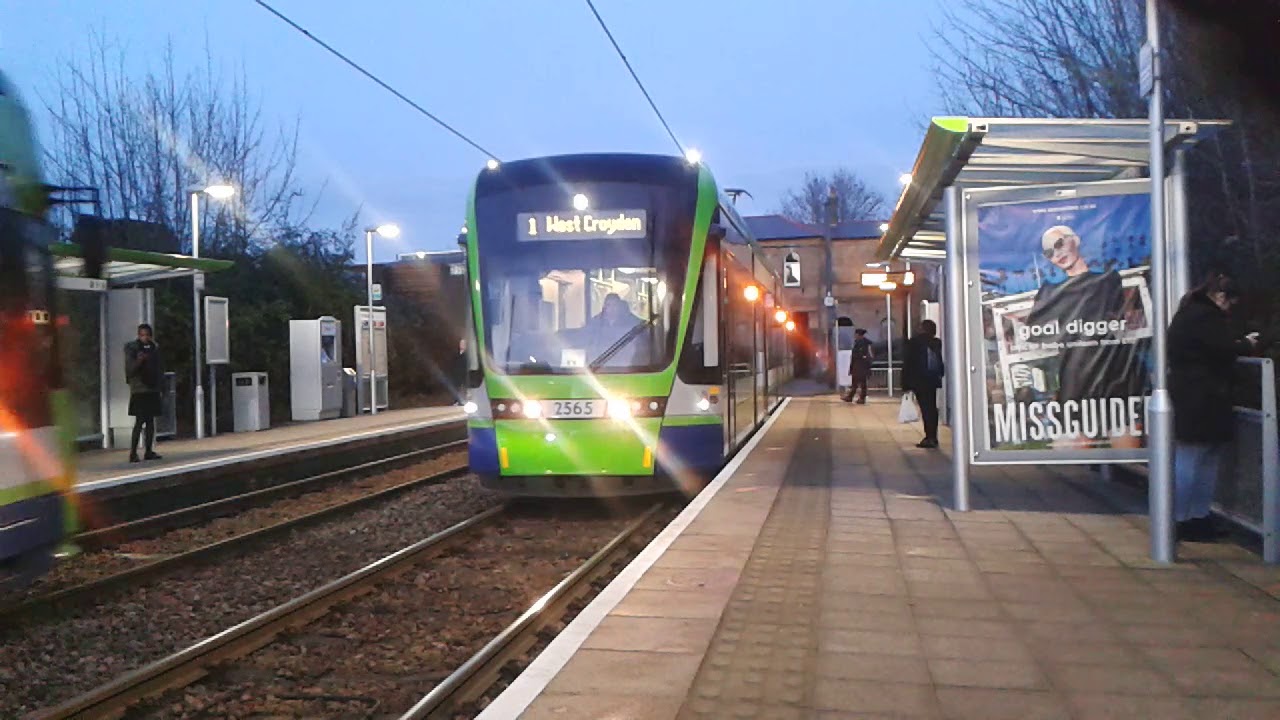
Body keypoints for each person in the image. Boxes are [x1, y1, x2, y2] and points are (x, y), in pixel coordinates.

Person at [1168, 273, 1257, 541]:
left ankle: (1186, 518)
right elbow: (1221, 348)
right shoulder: (1206, 317)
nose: (1229, 310)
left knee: (1194, 457)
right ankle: (1188, 518)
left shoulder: (1188, 313)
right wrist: (1246, 344)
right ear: (1220, 297)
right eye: (1230, 304)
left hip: (1191, 395)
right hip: (1204, 397)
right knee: (1198, 458)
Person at [124, 323, 163, 463]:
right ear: (138, 335)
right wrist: (139, 361)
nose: (145, 338)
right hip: (139, 389)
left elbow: (158, 368)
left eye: (147, 335)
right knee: (139, 422)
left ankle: (148, 451)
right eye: (142, 335)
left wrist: (160, 386)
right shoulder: (132, 349)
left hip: (152, 389)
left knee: (151, 421)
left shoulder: (154, 349)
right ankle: (133, 453)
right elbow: (129, 370)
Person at [902, 319, 944, 448]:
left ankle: (929, 437)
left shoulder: (914, 342)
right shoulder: (937, 342)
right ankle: (933, 436)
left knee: (926, 409)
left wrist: (905, 383)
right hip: (932, 379)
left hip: (919, 380)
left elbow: (908, 362)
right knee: (931, 408)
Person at [847, 328, 873, 404]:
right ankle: (851, 397)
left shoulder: (863, 343)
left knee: (862, 383)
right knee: (856, 382)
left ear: (859, 335)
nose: (854, 336)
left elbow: (861, 355)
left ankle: (861, 398)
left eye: (856, 334)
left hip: (861, 366)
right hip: (858, 366)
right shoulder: (860, 342)